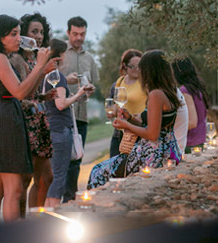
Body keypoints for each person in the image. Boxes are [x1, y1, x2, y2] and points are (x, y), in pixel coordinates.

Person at [0, 14, 52, 222]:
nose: (19, 38)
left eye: (19, 33)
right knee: (14, 190)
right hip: (5, 121)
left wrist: (40, 69)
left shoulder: (0, 59)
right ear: (1, 37)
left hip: (0, 119)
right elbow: (18, 93)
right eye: (14, 34)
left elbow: (25, 93)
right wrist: (39, 65)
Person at [87, 50, 181, 189]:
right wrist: (130, 118)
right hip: (167, 149)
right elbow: (155, 125)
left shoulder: (156, 95)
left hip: (152, 153)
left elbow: (152, 134)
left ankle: (100, 207)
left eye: (142, 68)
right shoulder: (167, 92)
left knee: (98, 171)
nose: (140, 72)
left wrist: (127, 125)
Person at [10, 12, 56, 216]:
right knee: (25, 179)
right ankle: (21, 223)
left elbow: (34, 91)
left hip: (39, 120)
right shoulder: (17, 59)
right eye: (34, 32)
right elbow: (20, 94)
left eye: (41, 32)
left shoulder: (34, 59)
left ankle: (36, 217)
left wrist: (45, 96)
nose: (38, 36)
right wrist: (42, 71)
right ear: (23, 35)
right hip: (25, 122)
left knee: (46, 177)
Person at [60, 16, 99, 203]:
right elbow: (49, 80)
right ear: (68, 33)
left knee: (76, 160)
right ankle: (54, 200)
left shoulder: (90, 59)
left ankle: (70, 200)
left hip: (81, 116)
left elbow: (94, 85)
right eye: (75, 34)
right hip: (61, 115)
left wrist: (90, 88)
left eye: (82, 34)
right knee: (60, 161)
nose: (79, 38)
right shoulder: (60, 55)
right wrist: (65, 79)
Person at [43, 39, 86, 208]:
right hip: (60, 130)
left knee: (55, 175)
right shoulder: (56, 76)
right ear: (62, 55)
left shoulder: (45, 76)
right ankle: (52, 213)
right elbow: (60, 104)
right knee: (59, 177)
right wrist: (79, 93)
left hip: (51, 129)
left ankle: (46, 214)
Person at [107, 49, 147, 157]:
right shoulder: (120, 81)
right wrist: (112, 111)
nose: (136, 69)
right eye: (132, 66)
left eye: (139, 66)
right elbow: (115, 104)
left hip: (138, 132)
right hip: (120, 133)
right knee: (115, 169)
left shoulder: (146, 83)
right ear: (125, 66)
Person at [172, 57, 209, 154]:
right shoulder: (197, 88)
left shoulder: (184, 91)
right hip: (199, 140)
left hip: (190, 143)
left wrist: (172, 129)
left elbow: (192, 122)